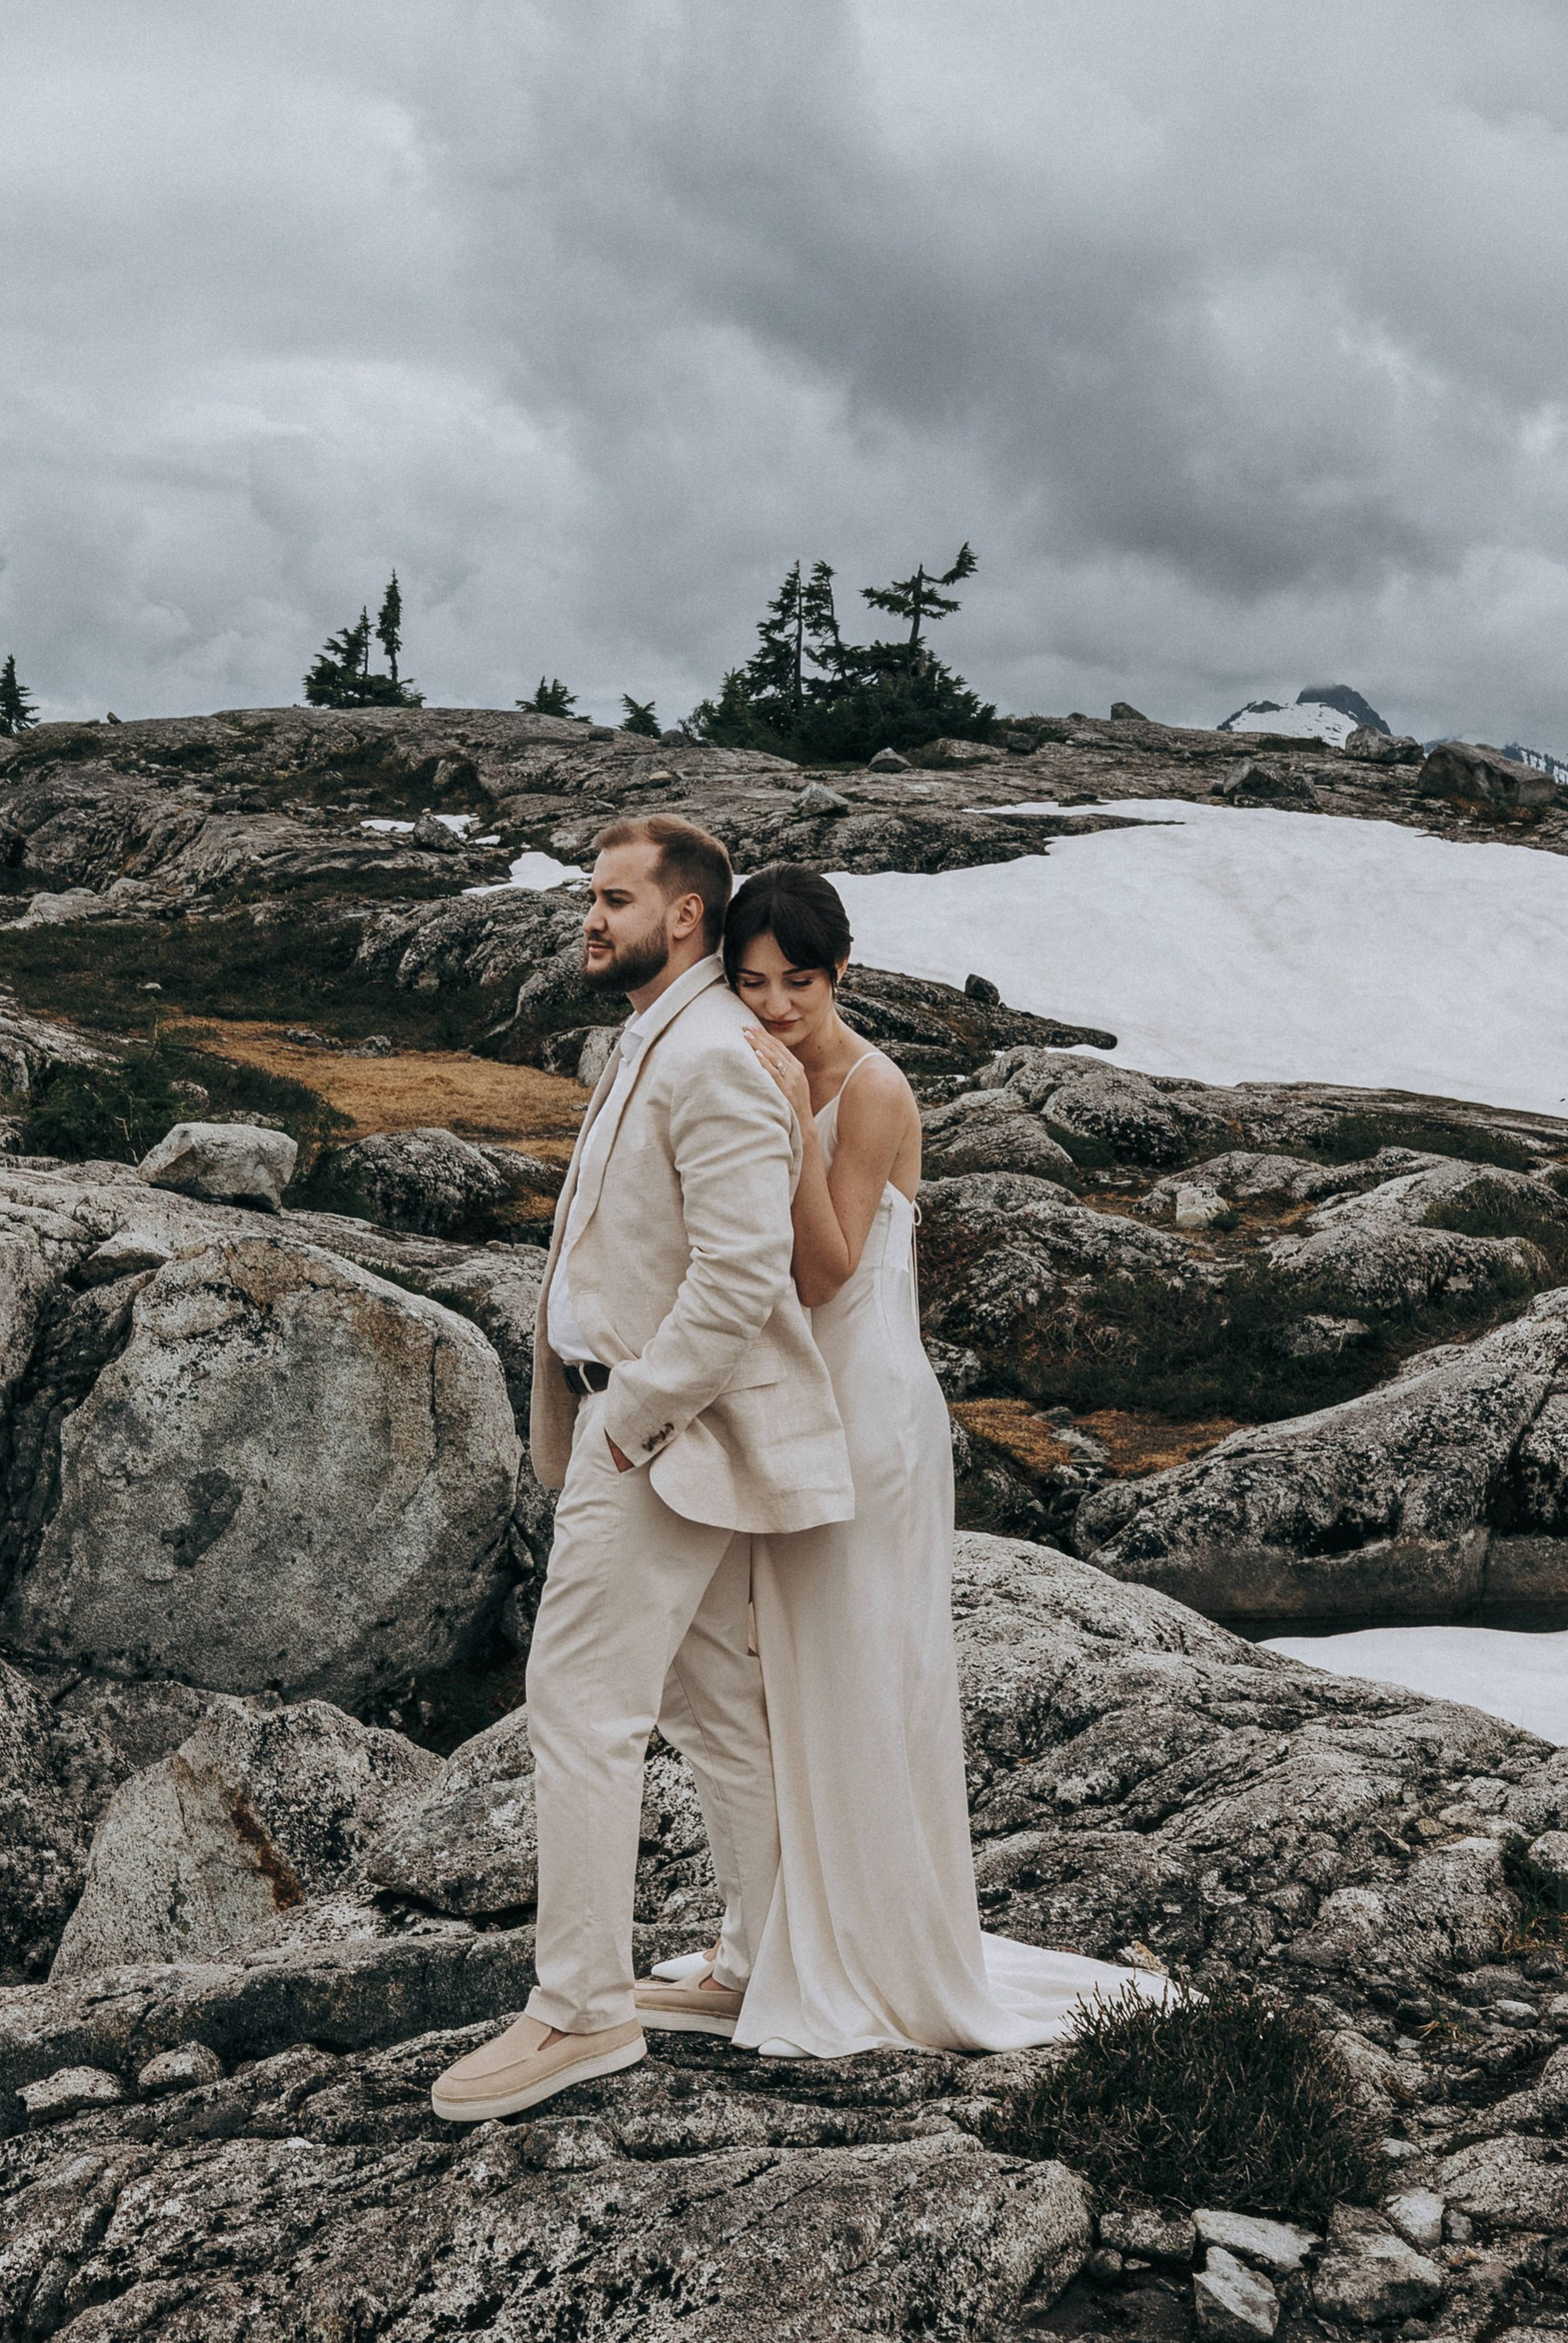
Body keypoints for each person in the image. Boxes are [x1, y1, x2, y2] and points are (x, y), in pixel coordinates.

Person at [646, 860, 1174, 2058]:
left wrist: (786, 1114)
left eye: (798, 981)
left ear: (842, 971)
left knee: (857, 1675)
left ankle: (871, 1953)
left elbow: (826, 1267)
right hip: (798, 1408)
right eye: (751, 983)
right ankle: (790, 1931)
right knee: (792, 1675)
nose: (775, 1005)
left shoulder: (871, 1087)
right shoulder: (756, 1061)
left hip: (868, 1413)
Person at [430, 815, 855, 2125]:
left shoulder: (715, 1053)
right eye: (589, 894)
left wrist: (633, 1419)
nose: (588, 915)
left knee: (579, 1701)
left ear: (683, 914)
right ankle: (766, 1955)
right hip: (646, 1430)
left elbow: (740, 1276)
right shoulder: (659, 1035)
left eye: (612, 897)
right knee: (713, 1701)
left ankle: (579, 2010)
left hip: (660, 1439)